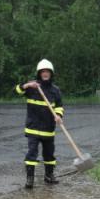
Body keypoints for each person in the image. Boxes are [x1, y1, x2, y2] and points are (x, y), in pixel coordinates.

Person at [14, 59, 64, 189]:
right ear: (39, 73)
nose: (45, 74)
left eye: (48, 72)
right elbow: (18, 90)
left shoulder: (55, 90)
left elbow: (59, 106)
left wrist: (58, 115)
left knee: (49, 155)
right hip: (33, 128)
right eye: (43, 72)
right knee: (32, 154)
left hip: (48, 129)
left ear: (51, 74)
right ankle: (30, 179)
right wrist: (27, 85)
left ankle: (49, 176)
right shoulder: (32, 87)